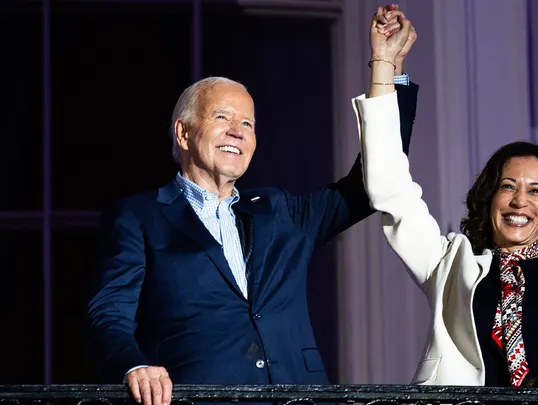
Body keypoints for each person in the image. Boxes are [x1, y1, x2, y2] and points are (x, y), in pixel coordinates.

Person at [86, 7, 417, 405]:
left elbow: (371, 184)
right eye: (222, 117)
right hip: (201, 398)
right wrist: (133, 366)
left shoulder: (279, 210)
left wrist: (387, 68)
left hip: (300, 397)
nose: (237, 132)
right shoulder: (139, 217)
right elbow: (108, 315)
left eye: (248, 124)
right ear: (184, 132)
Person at [351, 15, 538, 389]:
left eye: (535, 190)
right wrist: (385, 65)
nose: (520, 201)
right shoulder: (450, 265)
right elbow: (390, 187)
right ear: (489, 198)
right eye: (508, 186)